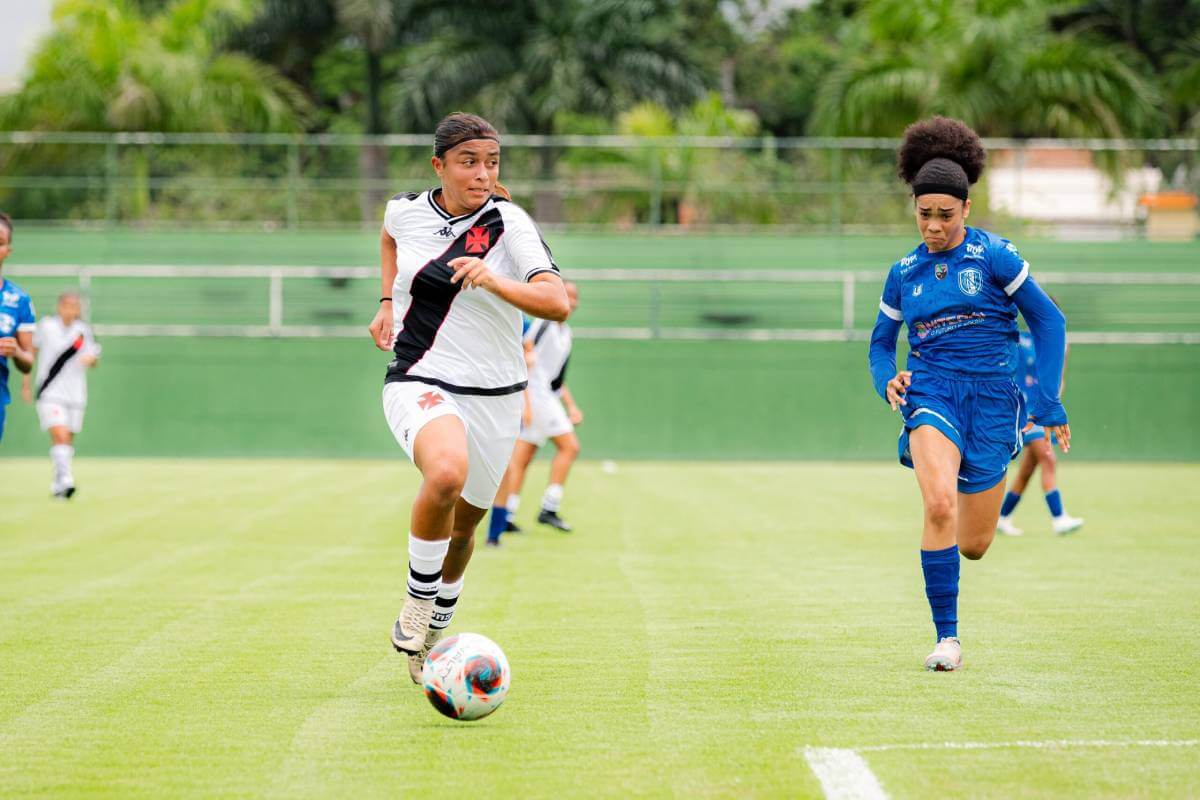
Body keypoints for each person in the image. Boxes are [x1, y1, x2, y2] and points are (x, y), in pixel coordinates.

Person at [367, 112, 569, 683]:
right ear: (440, 165)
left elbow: (555, 302)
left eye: (492, 163)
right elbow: (389, 237)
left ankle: (438, 624)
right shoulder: (404, 211)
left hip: (498, 394)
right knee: (445, 473)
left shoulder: (508, 224)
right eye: (468, 162)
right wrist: (386, 301)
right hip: (419, 377)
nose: (482, 174)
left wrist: (493, 278)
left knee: (465, 528)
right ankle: (415, 602)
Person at [867, 117, 1070, 672]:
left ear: (966, 211)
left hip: (993, 402)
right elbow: (882, 345)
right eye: (923, 213)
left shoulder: (995, 258)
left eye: (945, 215)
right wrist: (887, 377)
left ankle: (960, 536)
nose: (933, 226)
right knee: (937, 506)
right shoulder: (903, 272)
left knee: (974, 543)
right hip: (931, 392)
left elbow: (1049, 323)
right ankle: (947, 639)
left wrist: (1048, 402)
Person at [492, 282, 583, 537]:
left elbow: (555, 378)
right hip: (536, 397)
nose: (572, 301)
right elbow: (523, 354)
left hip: (546, 397)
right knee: (570, 447)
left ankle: (507, 514)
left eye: (575, 298)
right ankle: (549, 509)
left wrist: (571, 405)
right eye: (568, 296)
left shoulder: (566, 334)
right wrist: (526, 404)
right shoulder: (543, 324)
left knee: (522, 458)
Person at [996, 330, 1083, 536]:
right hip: (1025, 412)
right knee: (1049, 459)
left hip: (1042, 412)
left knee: (1027, 470)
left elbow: (1058, 379)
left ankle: (1002, 517)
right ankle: (1059, 517)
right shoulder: (1020, 339)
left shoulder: (1059, 343)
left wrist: (1052, 406)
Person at [23, 292, 101, 498]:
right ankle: (67, 480)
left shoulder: (83, 331)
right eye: (67, 306)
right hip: (50, 392)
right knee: (60, 434)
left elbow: (94, 356)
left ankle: (58, 484)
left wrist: (90, 360)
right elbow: (32, 352)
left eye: (75, 306)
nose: (71, 310)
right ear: (59, 307)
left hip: (76, 394)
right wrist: (26, 382)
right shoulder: (46, 326)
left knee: (66, 441)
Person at [0, 211, 36, 443]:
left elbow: (28, 361)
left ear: (8, 250)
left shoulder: (19, 299)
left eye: (0, 242)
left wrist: (16, 352)